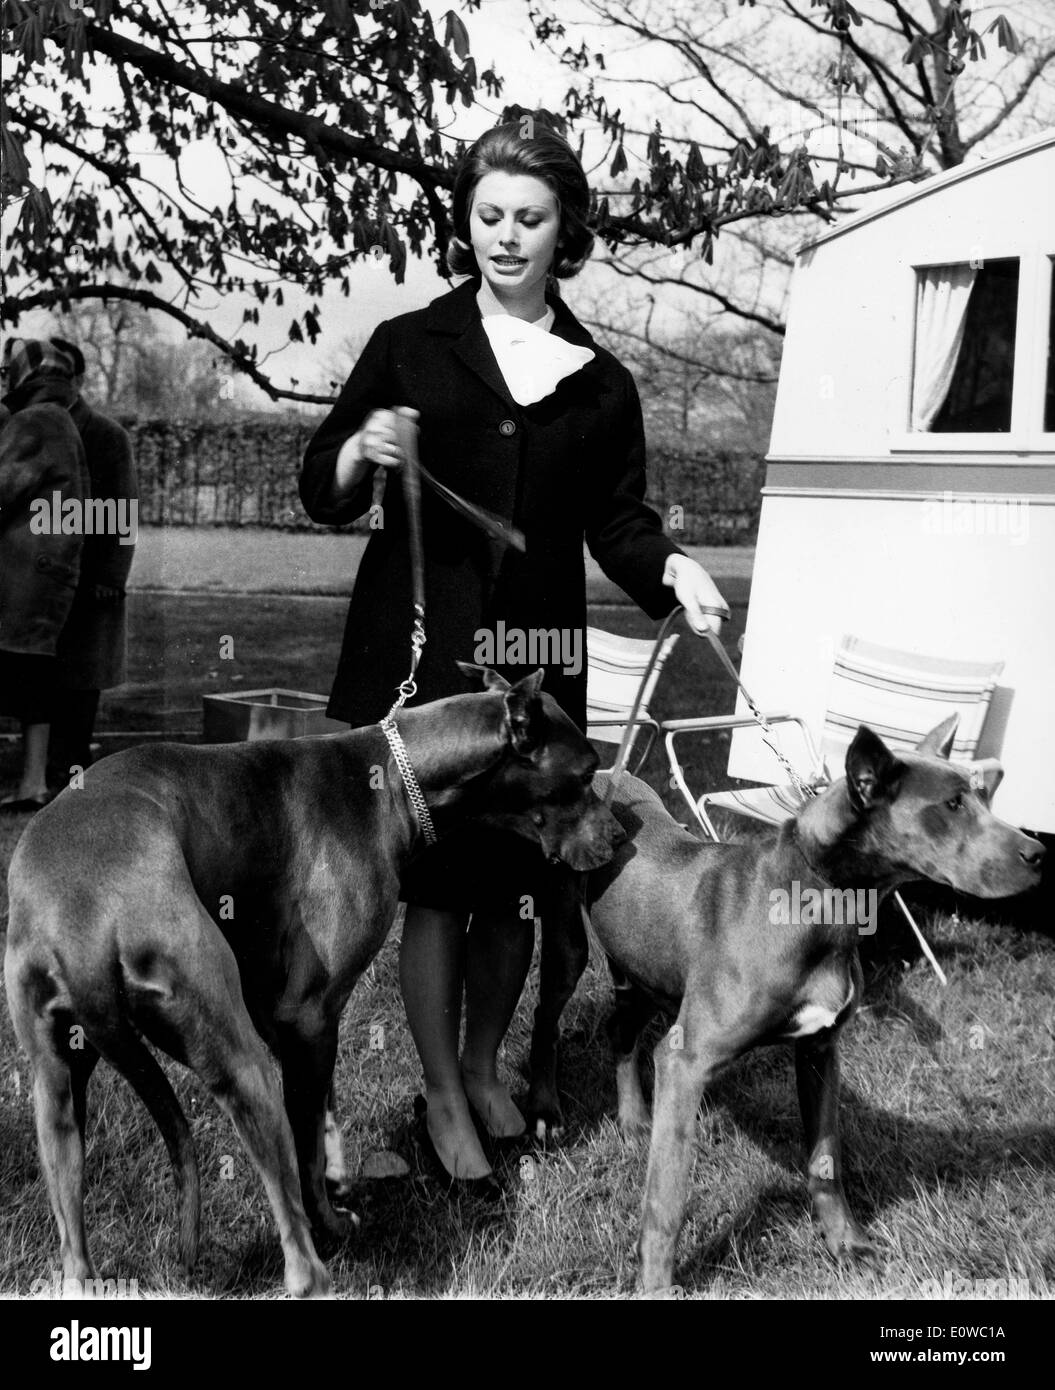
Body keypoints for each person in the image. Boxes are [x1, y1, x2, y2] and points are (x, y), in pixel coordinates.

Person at [300, 121, 728, 1188]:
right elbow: (319, 481)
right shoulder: (408, 344)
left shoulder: (597, 382)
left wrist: (671, 569)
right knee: (439, 887)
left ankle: (487, 1068)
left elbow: (620, 523)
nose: (502, 235)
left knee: (515, 890)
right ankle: (442, 1094)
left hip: (535, 673)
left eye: (526, 218)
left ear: (564, 231)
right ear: (467, 219)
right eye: (486, 214)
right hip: (423, 663)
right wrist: (359, 449)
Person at [2, 338, 139, 786]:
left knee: (79, 683)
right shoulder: (27, 423)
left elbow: (121, 512)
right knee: (38, 675)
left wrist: (109, 577)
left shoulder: (106, 434)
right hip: (41, 570)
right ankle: (40, 770)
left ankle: (68, 766)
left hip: (89, 580)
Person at [0, 342, 88, 812]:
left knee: (21, 676)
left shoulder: (33, 422)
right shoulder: (61, 419)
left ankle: (30, 784)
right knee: (33, 681)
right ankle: (31, 783)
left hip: (22, 577)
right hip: (46, 574)